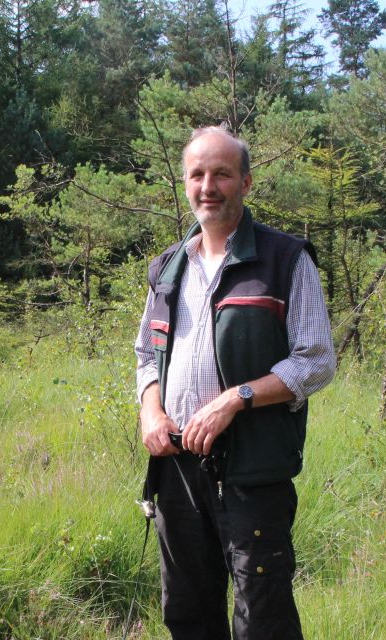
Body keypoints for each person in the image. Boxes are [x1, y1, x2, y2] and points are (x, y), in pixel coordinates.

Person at [134, 126, 335, 639]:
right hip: (178, 468)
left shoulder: (284, 259)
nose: (209, 185)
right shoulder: (167, 268)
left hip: (253, 470)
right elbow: (146, 355)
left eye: (222, 173)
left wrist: (237, 398)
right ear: (185, 184)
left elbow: (316, 361)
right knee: (188, 611)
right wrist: (151, 412)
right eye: (197, 174)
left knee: (261, 616)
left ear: (245, 182)